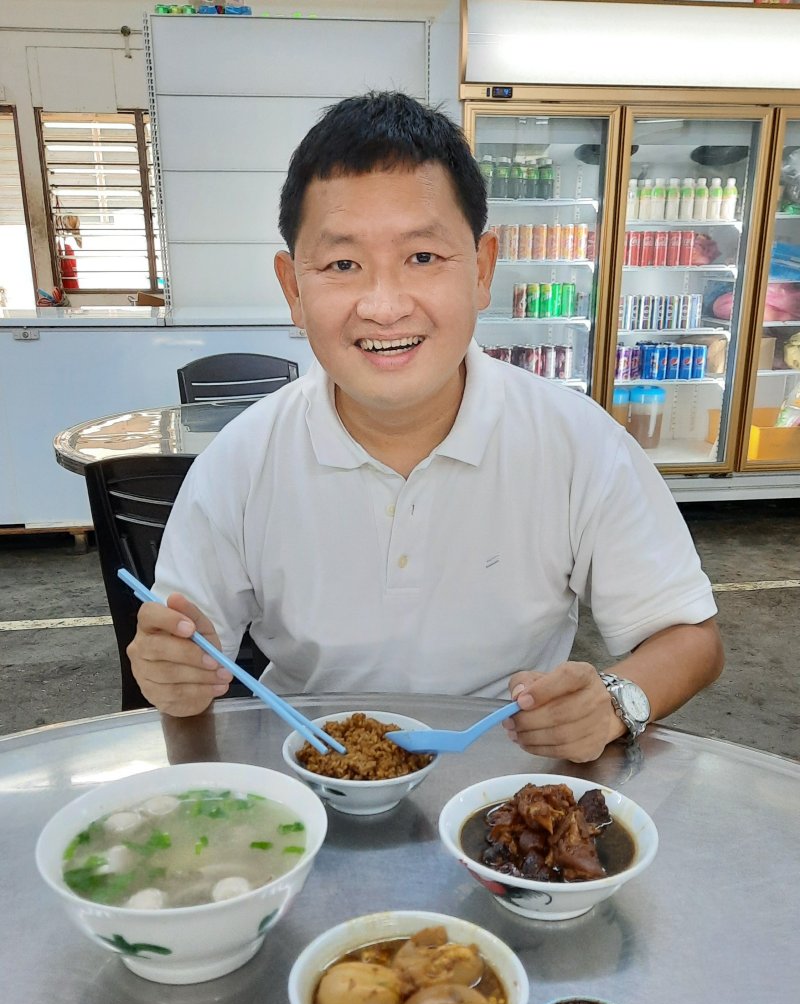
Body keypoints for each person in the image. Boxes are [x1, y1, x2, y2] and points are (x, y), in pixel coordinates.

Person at [128, 91, 723, 762]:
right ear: (294, 289)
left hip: (507, 782)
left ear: (483, 270)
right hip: (311, 777)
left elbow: (689, 637)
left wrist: (617, 699)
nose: (384, 307)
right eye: (343, 265)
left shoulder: (576, 442)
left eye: (423, 258)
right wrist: (171, 672)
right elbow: (182, 645)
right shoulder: (240, 459)